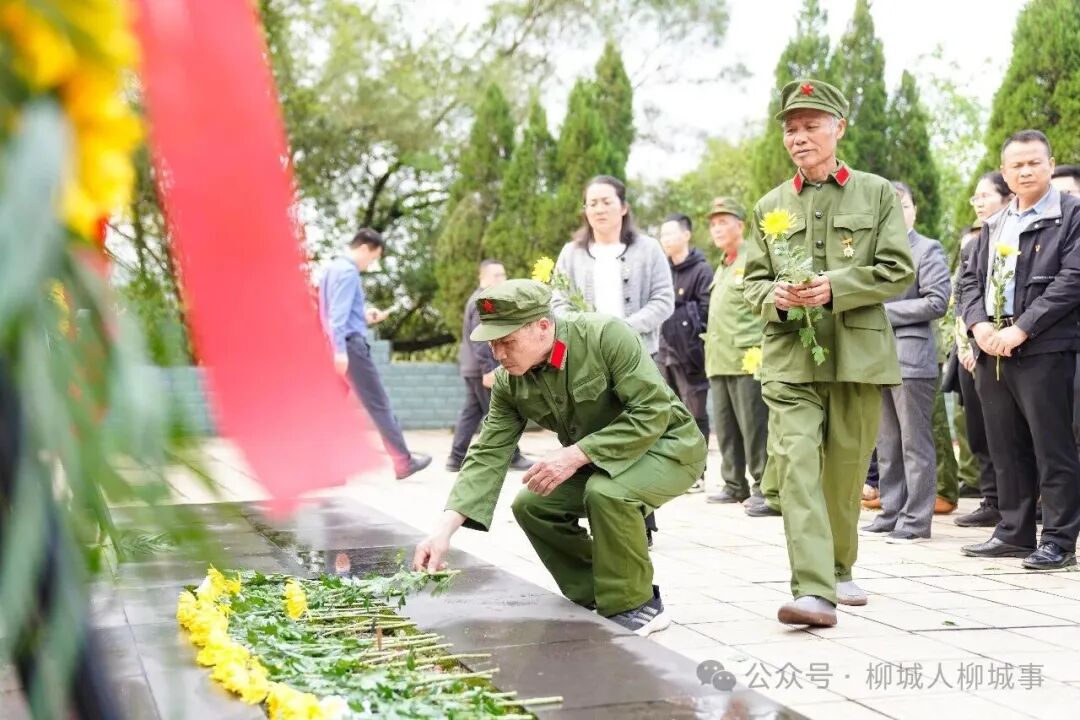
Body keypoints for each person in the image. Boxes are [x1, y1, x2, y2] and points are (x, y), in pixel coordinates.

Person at [413, 280, 706, 636]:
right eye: (492, 343)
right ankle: (596, 593)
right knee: (533, 504)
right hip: (598, 459)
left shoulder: (605, 336)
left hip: (668, 446)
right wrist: (442, 532)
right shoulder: (509, 382)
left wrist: (576, 454)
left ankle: (637, 605)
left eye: (508, 341)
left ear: (543, 326)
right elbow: (488, 454)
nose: (499, 353)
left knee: (606, 493)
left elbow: (652, 410)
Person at [742, 78, 914, 627]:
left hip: (857, 358)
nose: (799, 137)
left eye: (811, 125)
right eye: (790, 129)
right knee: (796, 468)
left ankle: (840, 569)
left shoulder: (876, 193)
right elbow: (751, 282)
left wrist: (836, 287)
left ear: (839, 127)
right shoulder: (769, 205)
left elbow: (897, 269)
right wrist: (776, 296)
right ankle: (813, 590)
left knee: (843, 475)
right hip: (790, 359)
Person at [959, 130, 1080, 569]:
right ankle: (1014, 531)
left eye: (1034, 162)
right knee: (1005, 445)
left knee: (1052, 445)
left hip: (1044, 347)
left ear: (1051, 165)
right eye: (1016, 165)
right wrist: (978, 325)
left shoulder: (1071, 214)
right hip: (991, 347)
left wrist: (1022, 329)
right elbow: (968, 280)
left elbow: (1072, 280)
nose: (1025, 171)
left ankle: (1060, 540)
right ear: (1004, 171)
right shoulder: (995, 223)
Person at [552, 175, 675, 544]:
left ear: (623, 207)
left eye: (607, 201)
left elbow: (663, 300)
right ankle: (598, 517)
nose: (599, 209)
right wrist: (586, 332)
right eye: (592, 203)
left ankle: (641, 521)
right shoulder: (571, 253)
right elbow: (557, 302)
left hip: (637, 356)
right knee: (591, 435)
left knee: (640, 434)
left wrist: (621, 330)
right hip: (586, 360)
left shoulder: (648, 249)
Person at [860, 182, 949, 544]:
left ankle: (916, 519)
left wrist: (883, 312)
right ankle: (891, 511)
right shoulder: (874, 254)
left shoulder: (927, 249)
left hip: (912, 359)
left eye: (904, 206)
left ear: (914, 210)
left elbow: (937, 301)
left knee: (915, 443)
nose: (897, 213)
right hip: (877, 359)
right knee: (887, 443)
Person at [318, 228, 431, 479]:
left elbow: (330, 313)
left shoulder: (331, 269)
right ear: (364, 248)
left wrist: (363, 317)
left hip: (334, 345)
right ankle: (403, 462)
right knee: (379, 404)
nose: (371, 263)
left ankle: (326, 469)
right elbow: (337, 317)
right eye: (373, 257)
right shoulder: (349, 272)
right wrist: (341, 351)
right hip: (349, 348)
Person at [698, 197, 770, 508]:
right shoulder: (724, 265)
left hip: (747, 359)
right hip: (719, 359)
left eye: (723, 222)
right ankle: (734, 484)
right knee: (726, 430)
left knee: (755, 429)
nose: (717, 229)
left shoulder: (753, 258)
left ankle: (764, 487)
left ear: (740, 225)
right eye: (713, 224)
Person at [952, 172, 1013, 528]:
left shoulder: (1015, 238)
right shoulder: (973, 245)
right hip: (971, 348)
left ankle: (1016, 503)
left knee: (1007, 431)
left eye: (985, 195)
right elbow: (962, 298)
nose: (978, 203)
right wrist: (965, 343)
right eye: (975, 197)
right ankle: (990, 498)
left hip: (1006, 346)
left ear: (1007, 198)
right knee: (978, 428)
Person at [448, 259, 533, 473]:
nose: (502, 279)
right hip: (481, 369)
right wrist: (488, 369)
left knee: (471, 413)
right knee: (500, 412)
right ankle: (513, 456)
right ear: (483, 277)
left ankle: (455, 458)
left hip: (472, 367)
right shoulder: (484, 302)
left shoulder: (479, 299)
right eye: (497, 275)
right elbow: (480, 339)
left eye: (503, 275)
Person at [657, 212, 713, 492]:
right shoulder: (663, 270)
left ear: (686, 235)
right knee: (667, 414)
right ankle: (675, 471)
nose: (665, 239)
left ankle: (698, 473)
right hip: (663, 352)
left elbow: (705, 312)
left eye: (670, 233)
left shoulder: (702, 270)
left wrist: (680, 315)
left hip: (690, 354)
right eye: (662, 235)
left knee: (695, 413)